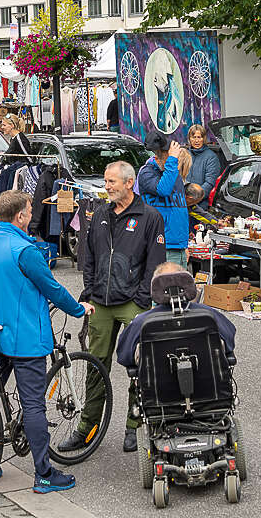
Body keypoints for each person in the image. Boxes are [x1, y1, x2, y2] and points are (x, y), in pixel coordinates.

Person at [0, 189, 93, 493]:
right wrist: (79, 309)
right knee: (33, 405)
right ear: (20, 216)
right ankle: (44, 474)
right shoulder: (25, 251)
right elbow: (53, 289)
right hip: (22, 337)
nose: (31, 214)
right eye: (29, 210)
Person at [58, 160, 164, 455]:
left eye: (111, 182)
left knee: (139, 365)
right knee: (95, 365)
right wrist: (90, 291)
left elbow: (155, 263)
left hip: (132, 303)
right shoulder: (100, 214)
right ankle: (87, 428)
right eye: (105, 182)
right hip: (100, 303)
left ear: (129, 183)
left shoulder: (150, 217)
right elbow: (88, 256)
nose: (106, 187)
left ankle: (134, 425)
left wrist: (142, 298)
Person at [116, 262, 237, 366]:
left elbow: (124, 356)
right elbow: (229, 342)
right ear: (187, 283)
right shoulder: (209, 315)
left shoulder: (142, 321)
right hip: (208, 382)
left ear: (155, 287)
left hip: (157, 384)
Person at [138, 130, 189, 266]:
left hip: (178, 246)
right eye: (171, 155)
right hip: (160, 245)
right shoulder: (147, 172)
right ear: (159, 155)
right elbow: (163, 190)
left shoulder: (173, 174)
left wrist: (184, 245)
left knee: (179, 280)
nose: (176, 159)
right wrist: (172, 160)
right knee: (163, 280)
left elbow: (180, 207)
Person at [186, 124, 222, 193]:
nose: (196, 140)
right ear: (189, 139)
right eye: (194, 137)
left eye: (199, 137)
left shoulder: (211, 157)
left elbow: (210, 183)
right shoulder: (186, 155)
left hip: (201, 197)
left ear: (204, 139)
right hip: (184, 197)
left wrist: (196, 196)